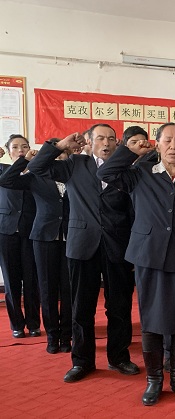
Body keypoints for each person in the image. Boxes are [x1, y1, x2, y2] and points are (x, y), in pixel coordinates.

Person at [97, 122, 175, 405]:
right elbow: (105, 173)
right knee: (150, 321)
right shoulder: (141, 173)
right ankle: (154, 380)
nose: (174, 146)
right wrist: (130, 151)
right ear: (158, 144)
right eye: (168, 141)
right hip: (149, 257)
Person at [28, 124, 139, 383]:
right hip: (82, 244)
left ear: (118, 143)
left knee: (119, 306)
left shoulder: (127, 168)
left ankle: (119, 357)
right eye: (100, 138)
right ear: (89, 141)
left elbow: (134, 211)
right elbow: (36, 168)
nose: (106, 143)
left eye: (111, 138)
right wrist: (59, 146)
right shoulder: (75, 164)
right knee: (81, 307)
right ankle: (82, 361)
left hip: (117, 246)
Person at [0, 138, 72, 353]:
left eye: (62, 153)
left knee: (66, 290)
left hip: (69, 236)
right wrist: (24, 161)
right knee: (44, 288)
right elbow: (7, 180)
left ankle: (65, 335)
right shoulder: (35, 175)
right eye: (54, 154)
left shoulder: (74, 175)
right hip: (40, 236)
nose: (58, 157)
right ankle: (50, 335)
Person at [0, 134, 39, 339]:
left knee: (32, 280)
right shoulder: (2, 171)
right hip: (6, 231)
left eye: (24, 146)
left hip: (31, 231)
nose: (20, 150)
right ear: (8, 151)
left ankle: (33, 323)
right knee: (11, 281)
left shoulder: (35, 172)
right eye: (15, 147)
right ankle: (16, 324)